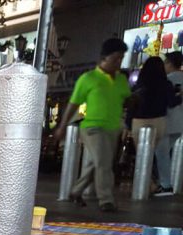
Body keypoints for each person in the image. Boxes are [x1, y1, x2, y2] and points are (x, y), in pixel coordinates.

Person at [54, 38, 131, 212]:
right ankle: (106, 200)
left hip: (112, 128)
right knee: (104, 162)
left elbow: (126, 99)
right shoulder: (88, 78)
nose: (119, 62)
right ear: (105, 57)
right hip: (92, 127)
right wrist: (62, 126)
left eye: (121, 58)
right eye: (116, 58)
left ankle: (76, 191)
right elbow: (73, 104)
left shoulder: (121, 80)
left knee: (98, 162)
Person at [126, 56, 180, 194]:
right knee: (159, 153)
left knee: (142, 155)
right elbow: (172, 103)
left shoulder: (139, 85)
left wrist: (128, 126)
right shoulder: (165, 84)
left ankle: (146, 185)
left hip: (138, 122)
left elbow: (131, 107)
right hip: (159, 121)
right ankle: (159, 185)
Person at [154, 51, 183, 196]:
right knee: (173, 154)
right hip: (180, 123)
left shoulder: (167, 80)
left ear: (170, 64)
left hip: (167, 121)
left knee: (162, 153)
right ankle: (170, 183)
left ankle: (166, 185)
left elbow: (168, 102)